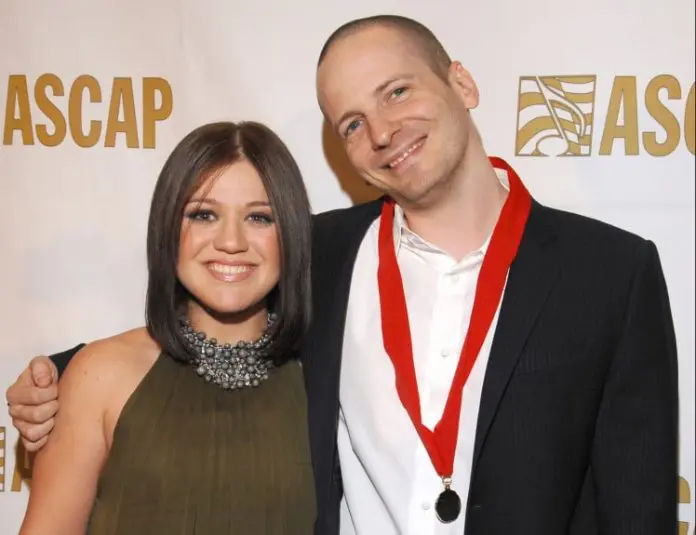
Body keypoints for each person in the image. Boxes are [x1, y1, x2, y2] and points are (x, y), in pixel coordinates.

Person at [7, 15, 678, 535]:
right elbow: (204, 326)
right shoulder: (318, 254)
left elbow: (637, 507)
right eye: (352, 123)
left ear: (462, 84)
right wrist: (54, 376)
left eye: (397, 91)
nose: (382, 131)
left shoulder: (612, 273)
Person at [14, 121, 316, 534]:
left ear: (292, 234)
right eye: (204, 215)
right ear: (168, 227)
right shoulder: (99, 376)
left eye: (259, 217)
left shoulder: (325, 381)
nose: (231, 241)